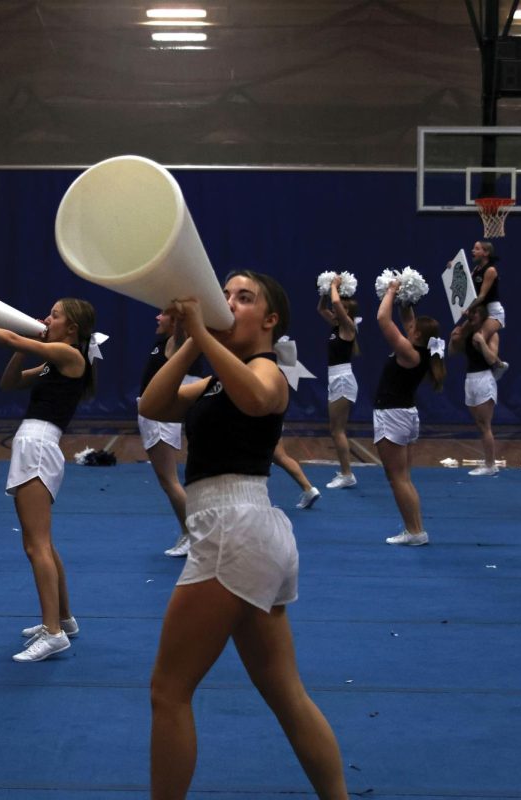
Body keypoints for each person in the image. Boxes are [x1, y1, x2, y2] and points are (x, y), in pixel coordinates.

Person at [139, 271, 347, 799]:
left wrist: (204, 335)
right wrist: (191, 340)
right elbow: (152, 404)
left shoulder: (268, 367)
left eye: (243, 298)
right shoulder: (213, 380)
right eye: (225, 296)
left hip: (235, 528)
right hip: (242, 531)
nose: (228, 304)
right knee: (286, 695)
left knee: (169, 692)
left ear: (270, 320)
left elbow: (257, 397)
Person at [0, 298, 97, 662]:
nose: (47, 317)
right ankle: (64, 619)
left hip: (39, 445)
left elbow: (11, 338)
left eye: (55, 315)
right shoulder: (52, 360)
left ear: (72, 329)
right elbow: (9, 382)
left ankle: (53, 633)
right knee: (42, 542)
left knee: (36, 546)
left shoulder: (69, 355)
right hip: (33, 443)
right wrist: (27, 347)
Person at [373, 281, 445, 546]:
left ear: (416, 336)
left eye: (413, 328)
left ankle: (415, 531)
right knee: (403, 477)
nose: (409, 327)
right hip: (403, 413)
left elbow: (383, 318)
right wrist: (406, 298)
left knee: (397, 478)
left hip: (393, 415)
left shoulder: (409, 352)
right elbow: (406, 318)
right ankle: (415, 529)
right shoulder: (420, 351)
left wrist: (391, 290)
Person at [136, 312, 201, 557]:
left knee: (169, 480)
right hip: (149, 414)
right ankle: (189, 532)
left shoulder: (176, 343)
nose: (157, 317)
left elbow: (183, 333)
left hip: (158, 417)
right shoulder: (161, 343)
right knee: (167, 481)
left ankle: (192, 534)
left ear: (175, 322)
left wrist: (180, 309)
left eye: (163, 314)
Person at [317, 275, 359, 488]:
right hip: (335, 378)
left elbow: (334, 303)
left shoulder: (348, 328)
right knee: (335, 429)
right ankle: (345, 472)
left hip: (342, 379)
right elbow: (322, 308)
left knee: (337, 430)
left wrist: (334, 285)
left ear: (347, 312)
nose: (335, 310)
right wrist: (325, 289)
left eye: (341, 308)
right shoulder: (336, 327)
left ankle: (347, 474)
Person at [449, 305, 501, 476]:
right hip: (470, 379)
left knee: (485, 425)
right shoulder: (468, 334)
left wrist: (482, 342)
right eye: (469, 313)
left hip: (484, 379)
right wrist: (453, 338)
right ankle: (488, 462)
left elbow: (492, 359)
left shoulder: (492, 334)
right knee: (479, 425)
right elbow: (451, 352)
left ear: (483, 315)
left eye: (474, 313)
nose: (471, 315)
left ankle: (491, 464)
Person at [465, 241, 508, 379]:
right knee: (459, 334)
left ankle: (496, 367)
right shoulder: (476, 269)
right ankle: (499, 363)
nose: (473, 251)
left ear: (486, 253)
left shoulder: (490, 270)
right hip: (481, 311)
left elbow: (482, 296)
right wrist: (453, 268)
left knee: (478, 340)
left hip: (494, 312)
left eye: (476, 249)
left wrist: (468, 308)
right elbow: (465, 285)